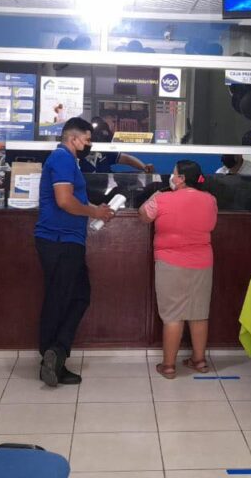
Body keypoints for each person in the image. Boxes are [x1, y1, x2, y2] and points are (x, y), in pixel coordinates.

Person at [35, 117, 115, 387]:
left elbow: (76, 198)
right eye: (87, 140)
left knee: (76, 296)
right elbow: (64, 200)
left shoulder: (69, 162)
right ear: (74, 138)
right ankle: (53, 354)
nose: (89, 145)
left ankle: (55, 355)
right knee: (62, 299)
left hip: (67, 240)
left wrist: (97, 209)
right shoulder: (62, 159)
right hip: (59, 240)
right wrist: (94, 212)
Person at [138, 160, 218, 379]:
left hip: (170, 262)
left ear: (181, 178)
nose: (171, 177)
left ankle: (169, 366)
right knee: (199, 313)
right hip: (202, 262)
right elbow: (211, 224)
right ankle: (199, 361)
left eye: (173, 174)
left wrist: (155, 195)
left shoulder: (162, 199)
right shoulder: (210, 199)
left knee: (173, 315)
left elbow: (143, 215)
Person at [79, 118, 155, 174]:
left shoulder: (105, 153)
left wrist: (144, 167)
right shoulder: (79, 156)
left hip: (105, 187)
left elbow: (127, 159)